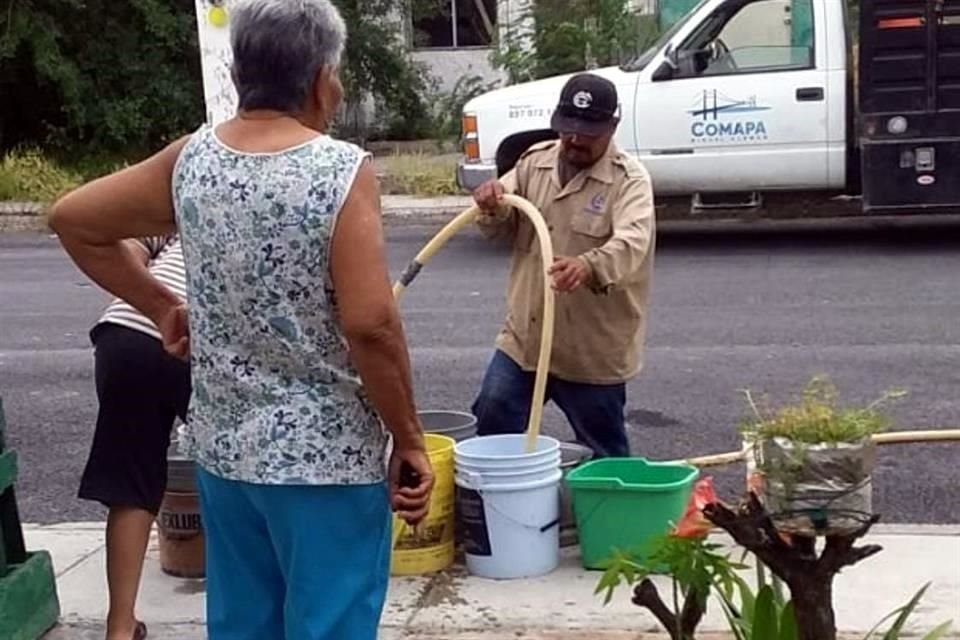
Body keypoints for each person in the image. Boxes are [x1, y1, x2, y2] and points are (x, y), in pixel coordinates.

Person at [48, 1, 434, 638]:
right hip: (325, 462)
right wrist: (410, 438)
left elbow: (75, 219)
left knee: (244, 625)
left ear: (242, 71)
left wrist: (159, 306)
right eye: (334, 76)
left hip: (227, 455)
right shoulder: (339, 171)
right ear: (318, 79)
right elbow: (371, 325)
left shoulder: (192, 160)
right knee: (328, 623)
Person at [470, 72, 656, 458]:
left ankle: (611, 513)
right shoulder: (532, 163)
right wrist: (490, 205)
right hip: (525, 340)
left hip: (590, 350)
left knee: (604, 453)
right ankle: (494, 512)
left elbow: (633, 243)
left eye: (589, 131)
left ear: (612, 126)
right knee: (492, 422)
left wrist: (588, 266)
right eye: (568, 128)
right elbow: (498, 220)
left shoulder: (629, 181)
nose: (575, 140)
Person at [78, 235, 188, 640]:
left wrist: (158, 300)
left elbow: (129, 251)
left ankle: (120, 627)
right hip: (195, 333)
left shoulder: (182, 193)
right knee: (236, 475)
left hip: (124, 332)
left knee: (131, 486)